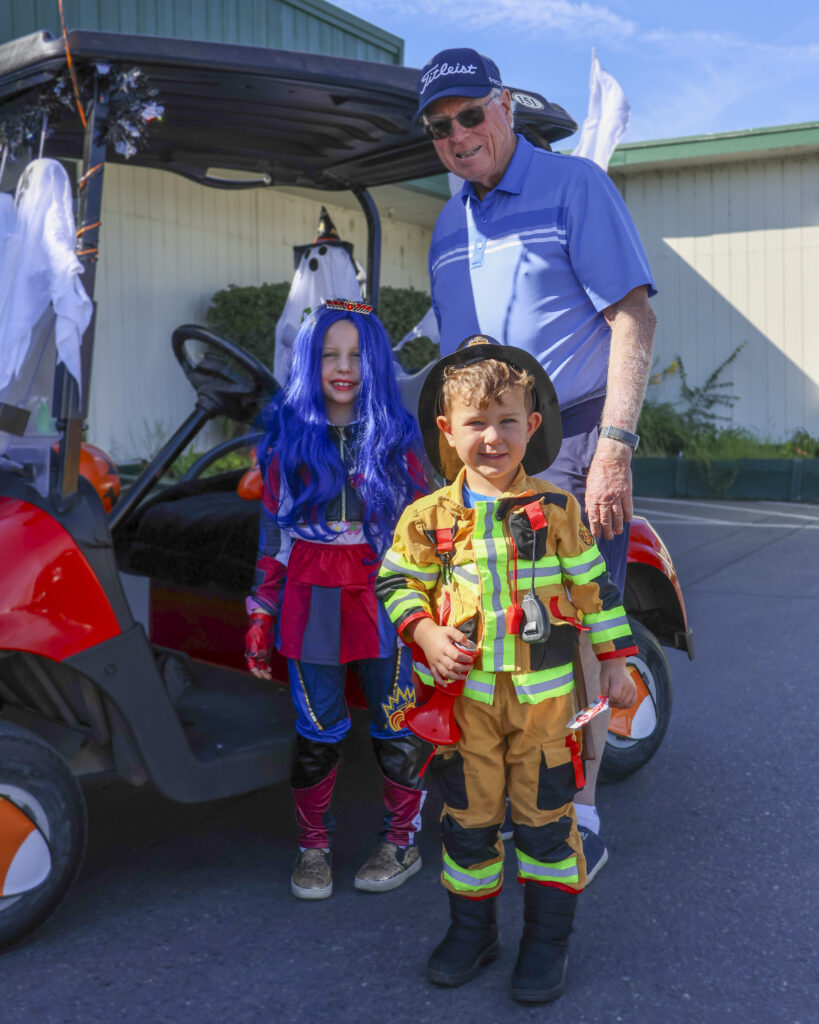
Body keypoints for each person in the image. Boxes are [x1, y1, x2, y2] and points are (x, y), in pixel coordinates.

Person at [417, 47, 658, 878]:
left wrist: (615, 452)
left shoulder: (571, 187)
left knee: (577, 637)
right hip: (486, 470)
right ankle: (503, 796)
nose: (457, 135)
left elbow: (632, 316)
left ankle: (576, 811)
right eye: (440, 127)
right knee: (495, 639)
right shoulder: (450, 225)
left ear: (504, 108)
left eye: (470, 115)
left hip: (576, 451)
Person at [375, 337, 637, 1002]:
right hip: (465, 714)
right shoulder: (427, 518)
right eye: (475, 423)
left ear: (532, 426)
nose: (492, 437)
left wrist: (614, 659)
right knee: (467, 824)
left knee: (547, 825)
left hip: (545, 712)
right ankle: (473, 934)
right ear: (446, 430)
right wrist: (425, 630)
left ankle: (545, 946)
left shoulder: (556, 511)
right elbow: (396, 584)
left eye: (506, 421)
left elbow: (593, 590)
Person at [244, 299, 430, 900]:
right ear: (310, 362)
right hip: (310, 596)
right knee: (317, 728)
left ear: (374, 362)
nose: (343, 367)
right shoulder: (286, 447)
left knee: (397, 719)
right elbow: (272, 540)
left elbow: (426, 535)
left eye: (356, 355)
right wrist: (261, 610)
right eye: (330, 354)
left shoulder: (399, 445)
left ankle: (401, 841)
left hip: (388, 595)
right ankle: (313, 849)